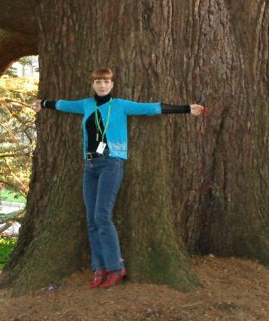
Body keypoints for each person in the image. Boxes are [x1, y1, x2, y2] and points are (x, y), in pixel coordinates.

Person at [37, 68, 206, 288]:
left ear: (112, 85)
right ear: (93, 84)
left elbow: (153, 108)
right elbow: (62, 104)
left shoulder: (120, 105)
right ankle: (99, 267)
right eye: (98, 81)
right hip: (90, 165)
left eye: (106, 82)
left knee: (102, 216)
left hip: (111, 163)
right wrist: (42, 103)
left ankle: (116, 267)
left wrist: (186, 109)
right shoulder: (86, 104)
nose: (102, 85)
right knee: (91, 219)